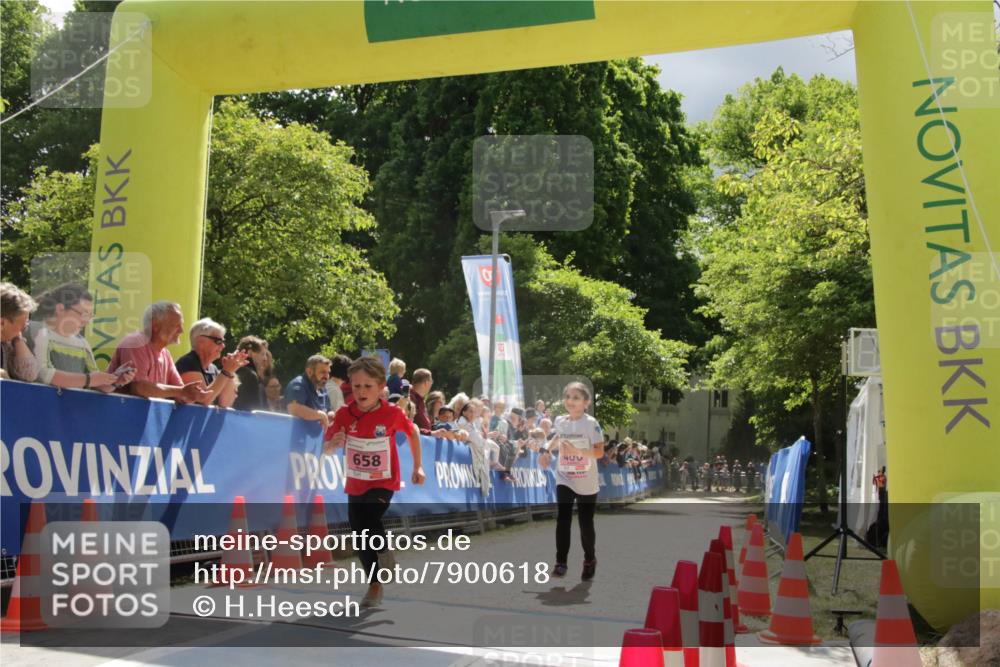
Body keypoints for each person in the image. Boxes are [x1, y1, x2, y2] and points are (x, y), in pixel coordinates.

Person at [323, 356, 425, 608]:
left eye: (368, 386)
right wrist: (332, 444)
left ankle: (384, 551)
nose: (361, 391)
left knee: (370, 518)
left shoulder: (391, 413)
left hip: (384, 481)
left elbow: (413, 432)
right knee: (359, 532)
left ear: (381, 387)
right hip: (356, 482)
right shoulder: (345, 414)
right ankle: (374, 584)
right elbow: (326, 447)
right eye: (356, 386)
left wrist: (418, 465)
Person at [538, 382, 605, 580]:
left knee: (585, 524)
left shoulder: (590, 423)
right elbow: (558, 437)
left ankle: (590, 559)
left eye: (576, 398)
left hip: (586, 481)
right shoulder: (560, 420)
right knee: (563, 519)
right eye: (567, 397)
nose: (570, 401)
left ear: (586, 402)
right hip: (565, 477)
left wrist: (579, 451)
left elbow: (599, 452)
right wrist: (546, 450)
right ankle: (561, 562)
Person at [30, 283, 134, 392]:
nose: (87, 321)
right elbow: (44, 374)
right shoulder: (39, 332)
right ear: (60, 309)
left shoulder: (82, 343)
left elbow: (97, 384)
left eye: (90, 316)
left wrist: (116, 380)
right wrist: (89, 379)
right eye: (84, 314)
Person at [108, 301, 209, 403]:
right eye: (176, 325)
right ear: (155, 325)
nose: (181, 330)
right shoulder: (135, 343)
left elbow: (181, 392)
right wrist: (182, 392)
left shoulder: (166, 354)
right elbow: (139, 388)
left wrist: (193, 394)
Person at [175, 318, 247, 407]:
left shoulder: (213, 368)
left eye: (223, 341)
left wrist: (231, 370)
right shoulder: (187, 363)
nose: (223, 345)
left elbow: (225, 403)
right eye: (218, 341)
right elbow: (203, 400)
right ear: (200, 341)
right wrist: (226, 371)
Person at [0, 282, 40, 381]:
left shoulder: (7, 345)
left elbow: (29, 375)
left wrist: (18, 340)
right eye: (23, 324)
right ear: (2, 323)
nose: (26, 327)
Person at [285, 354, 335, 429]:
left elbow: (328, 410)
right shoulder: (298, 384)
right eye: (323, 372)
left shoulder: (322, 389)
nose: (326, 376)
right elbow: (294, 409)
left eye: (328, 372)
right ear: (309, 372)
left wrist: (331, 415)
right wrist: (321, 415)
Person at [232, 336, 270, 411]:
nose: (265, 358)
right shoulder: (249, 376)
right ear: (250, 353)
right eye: (262, 354)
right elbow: (252, 409)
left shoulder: (234, 371)